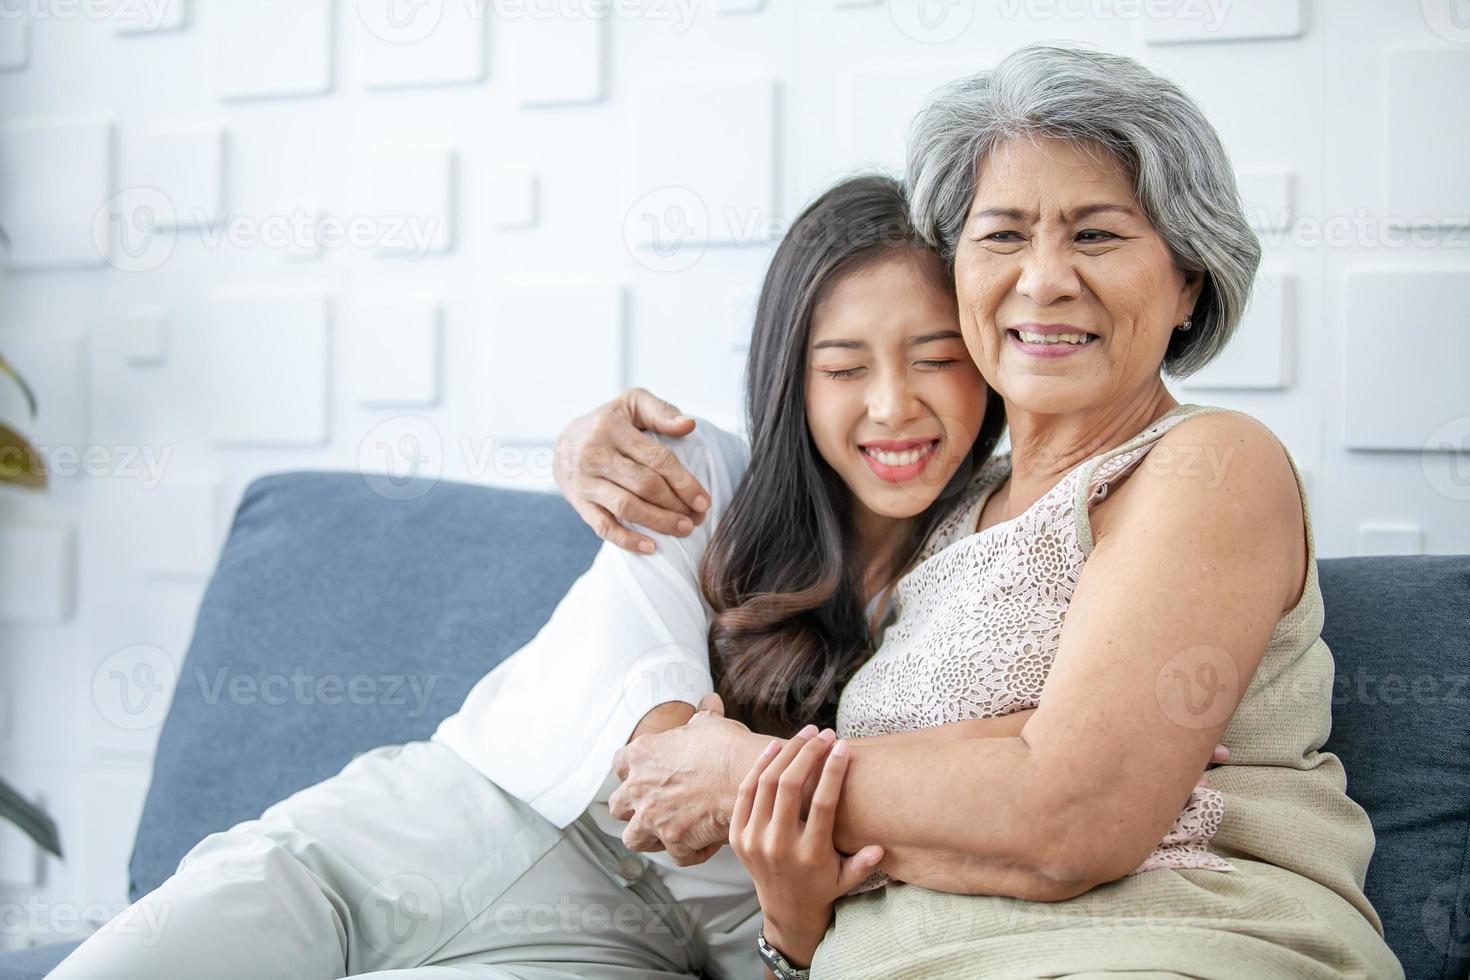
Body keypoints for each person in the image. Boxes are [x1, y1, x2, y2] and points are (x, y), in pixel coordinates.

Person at [59, 174, 1181, 979]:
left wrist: (731, 791)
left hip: (626, 946)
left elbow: (1002, 784)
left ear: (987, 363)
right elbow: (641, 665)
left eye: (936, 359)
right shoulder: (705, 473)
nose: (892, 406)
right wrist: (691, 760)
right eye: (844, 367)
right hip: (444, 821)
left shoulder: (996, 574)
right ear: (792, 381)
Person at [555, 43, 1402, 979]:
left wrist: (739, 776)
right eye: (1002, 235)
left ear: (1188, 280)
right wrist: (593, 441)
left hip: (1168, 947)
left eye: (1096, 235)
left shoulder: (1208, 464)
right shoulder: (945, 513)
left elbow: (1071, 816)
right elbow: (804, 463)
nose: (1042, 280)